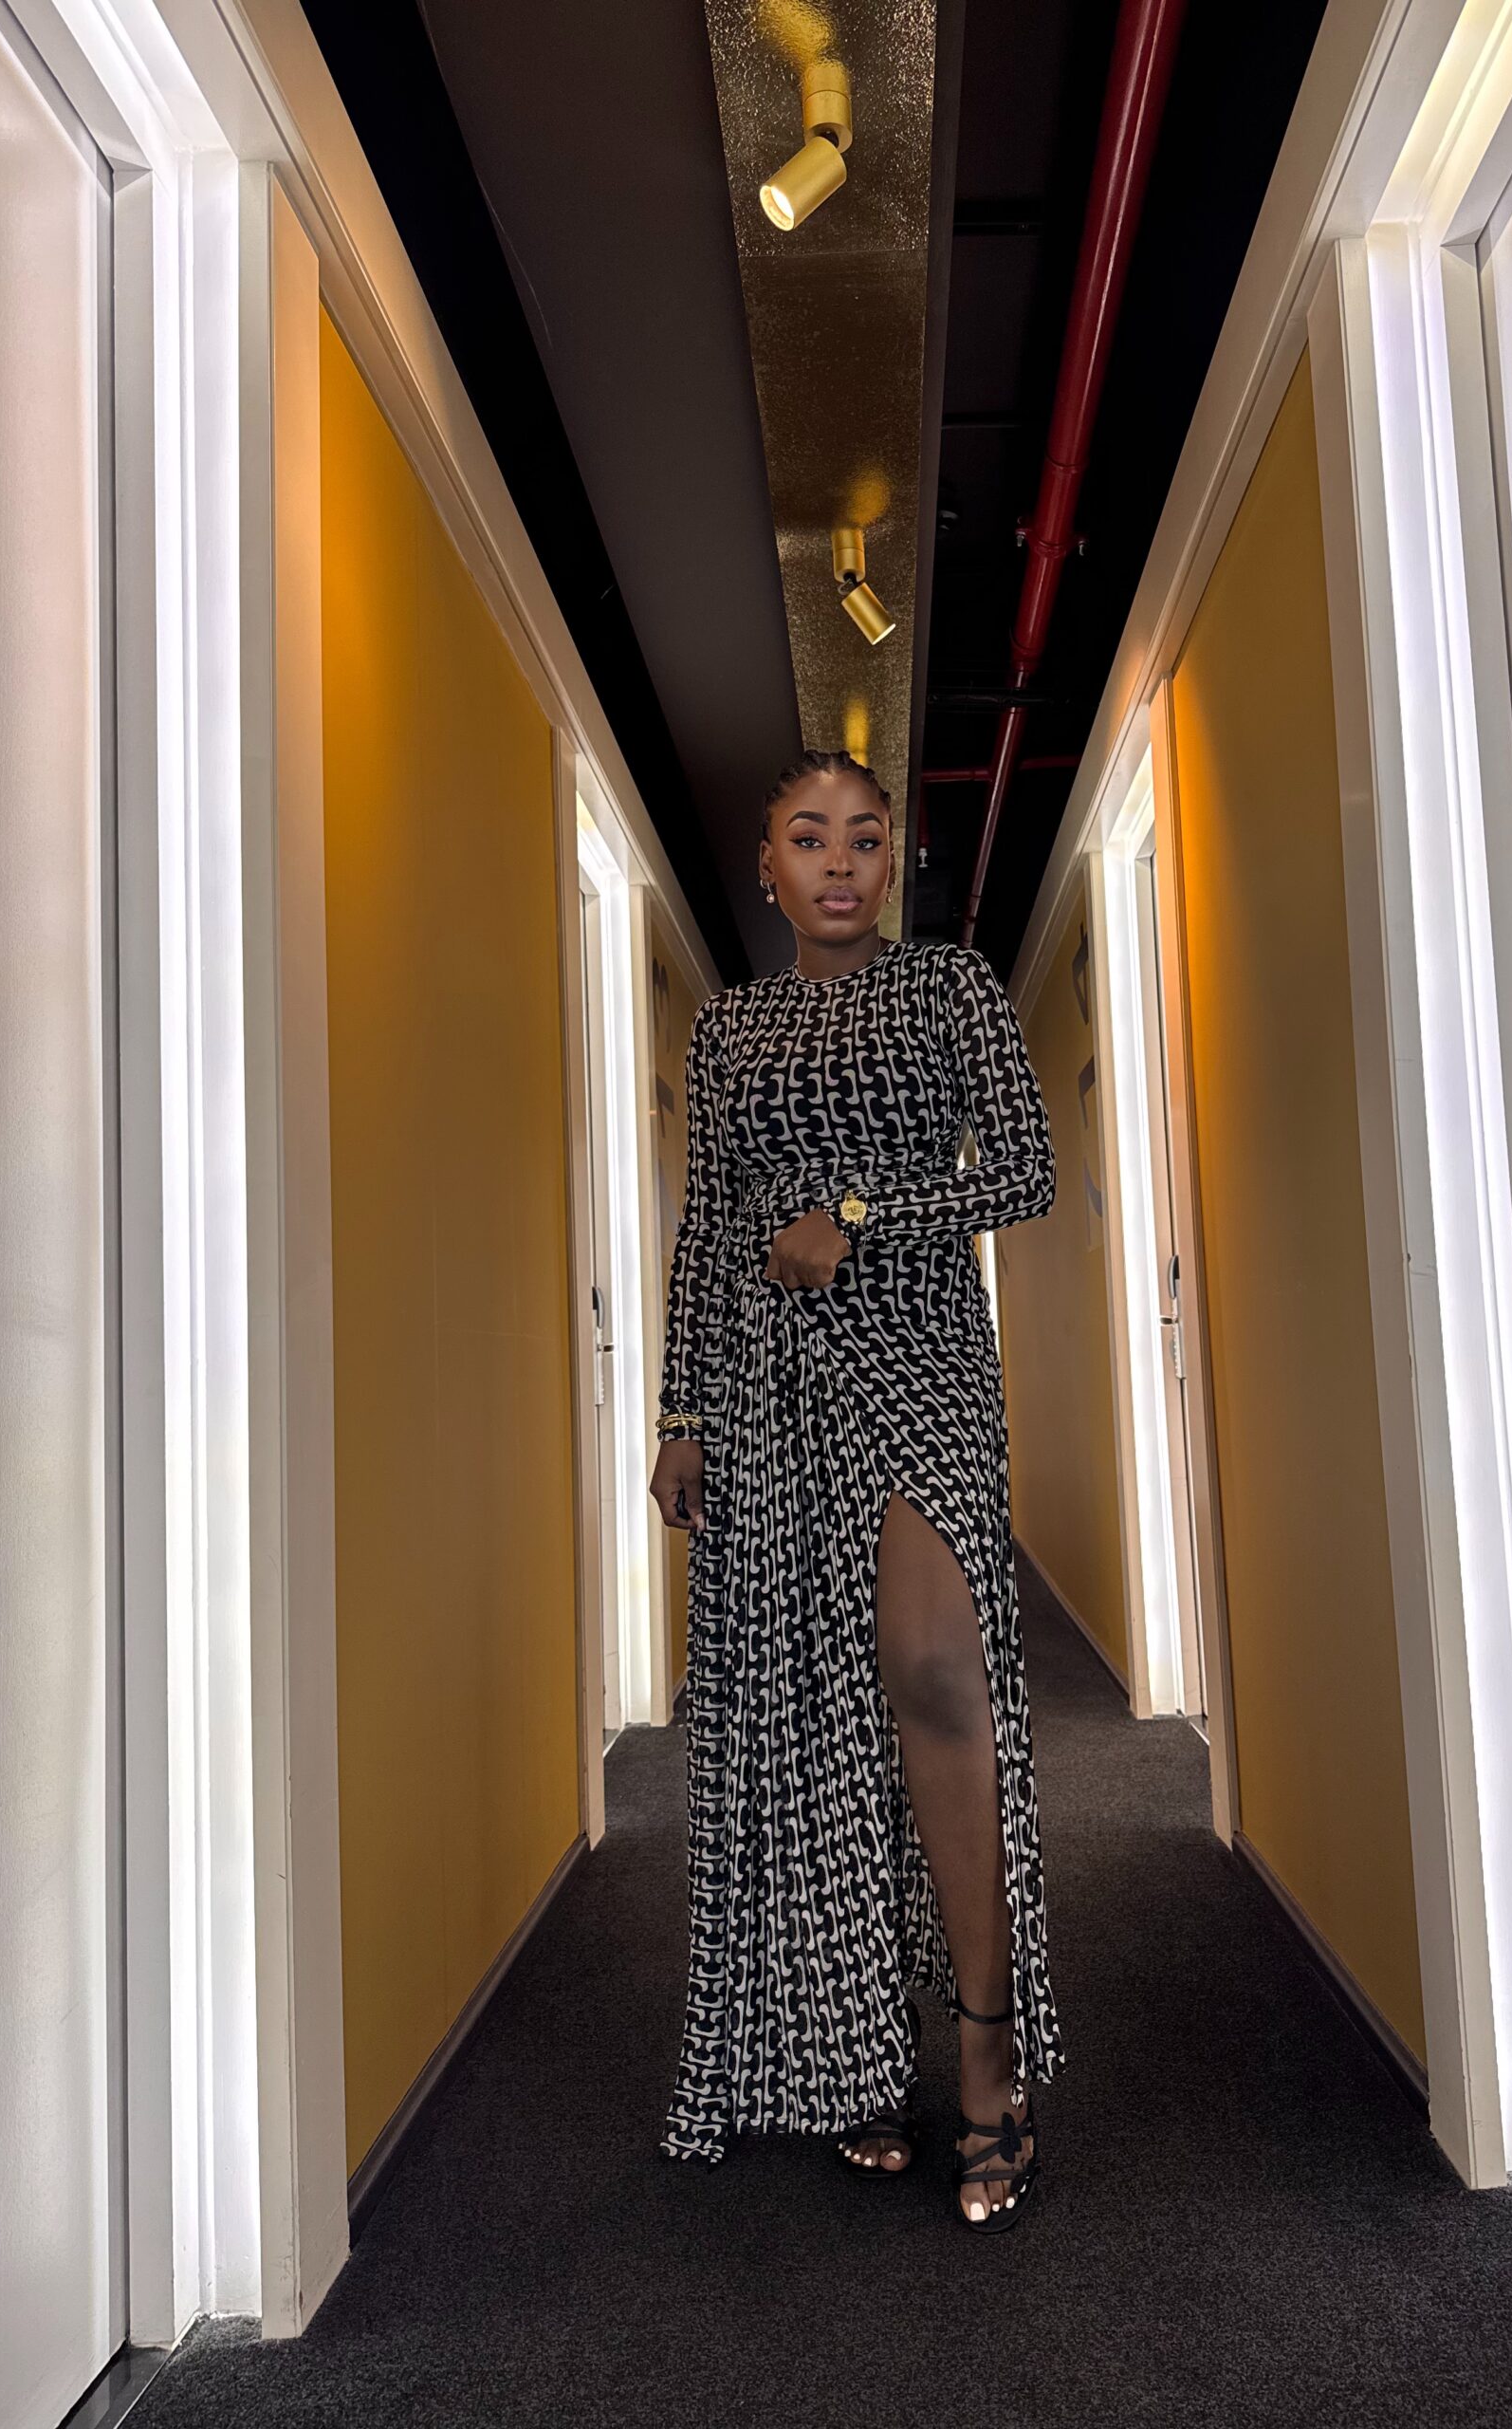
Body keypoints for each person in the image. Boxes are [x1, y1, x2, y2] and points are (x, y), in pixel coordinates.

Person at [649, 748, 1063, 2233]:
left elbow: (1024, 1171)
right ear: (767, 868)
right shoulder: (729, 1028)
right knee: (818, 1706)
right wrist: (683, 1407)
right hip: (767, 1379)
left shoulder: (951, 989)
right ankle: (853, 2048)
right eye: (809, 838)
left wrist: (861, 1212)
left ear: (895, 862)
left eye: (866, 838)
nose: (840, 862)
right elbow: (709, 1226)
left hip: (924, 1355)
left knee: (937, 1668)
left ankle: (987, 2047)